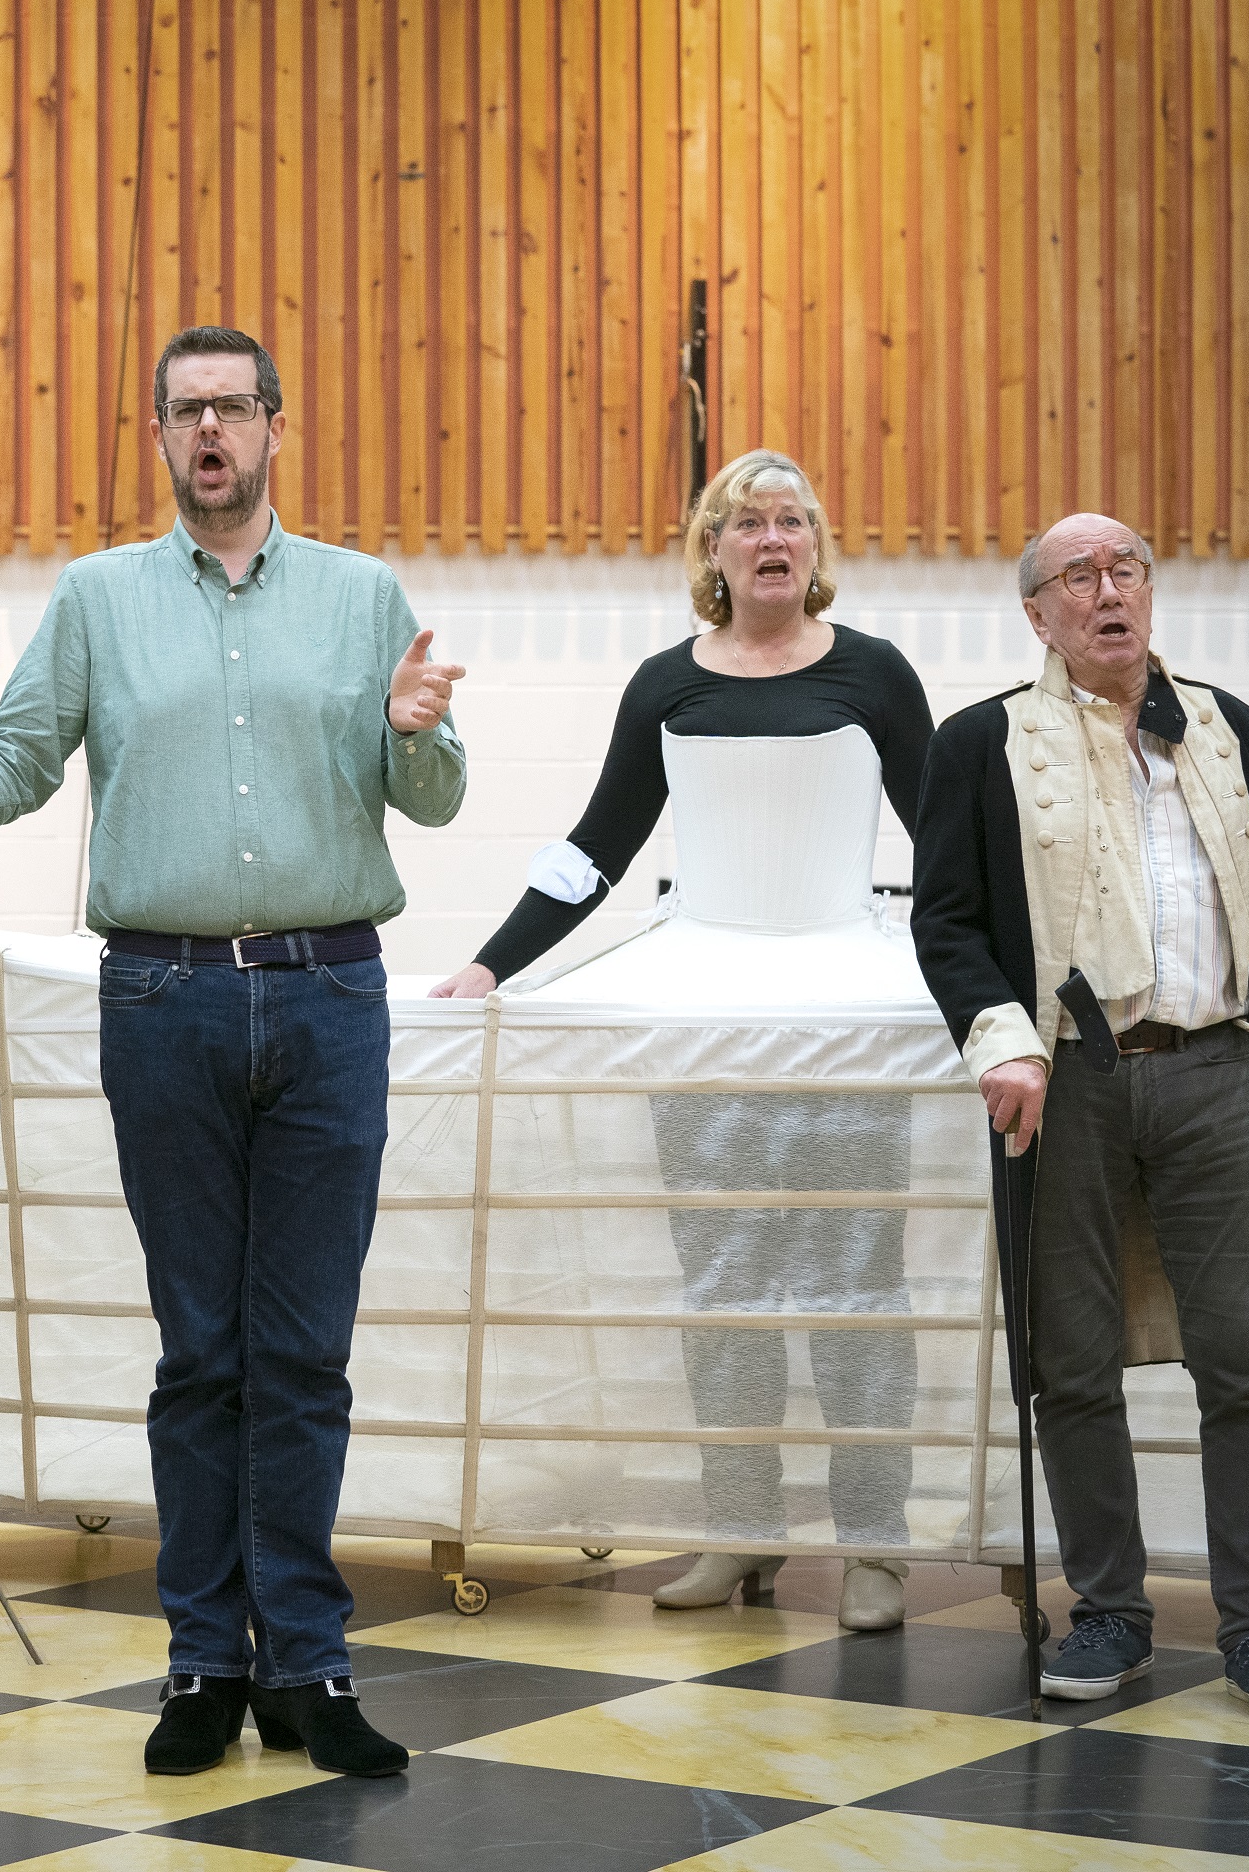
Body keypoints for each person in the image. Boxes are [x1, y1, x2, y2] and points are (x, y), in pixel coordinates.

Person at [0, 325, 466, 1779]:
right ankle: (203, 1661)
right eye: (183, 412)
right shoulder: (95, 599)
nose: (210, 433)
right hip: (164, 1001)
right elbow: (16, 759)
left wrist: (411, 733)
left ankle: (308, 1670)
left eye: (232, 409)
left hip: (327, 997)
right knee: (201, 1354)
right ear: (157, 437)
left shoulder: (359, 593)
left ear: (274, 424)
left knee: (301, 1354)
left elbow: (434, 795)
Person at [429, 449, 935, 1633]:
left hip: (846, 1017)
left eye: (793, 521)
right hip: (700, 1017)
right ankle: (737, 1534)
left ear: (816, 549)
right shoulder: (665, 683)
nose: (772, 538)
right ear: (712, 550)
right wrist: (492, 962)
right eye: (747, 521)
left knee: (857, 1288)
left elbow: (948, 842)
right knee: (725, 1290)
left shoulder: (876, 675)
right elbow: (595, 844)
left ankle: (875, 1548)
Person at [909, 513, 1249, 1722]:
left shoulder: (1226, 726)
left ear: (1150, 591)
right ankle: (1110, 1615)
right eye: (1077, 577)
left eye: (1126, 568)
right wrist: (1004, 1043)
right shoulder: (982, 741)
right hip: (1070, 1078)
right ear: (1037, 613)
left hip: (1214, 1067)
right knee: (1072, 1360)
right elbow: (947, 920)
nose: (1108, 591)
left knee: (1246, 1358)